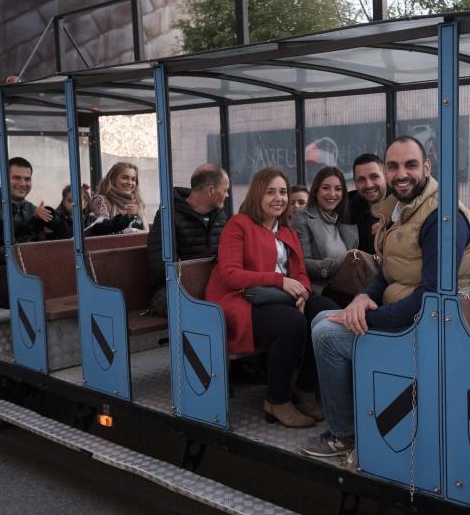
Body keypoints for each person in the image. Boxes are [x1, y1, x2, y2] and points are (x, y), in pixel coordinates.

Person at [302, 136, 470, 457]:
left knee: (327, 335)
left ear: (427, 167)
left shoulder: (441, 218)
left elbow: (432, 299)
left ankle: (344, 434)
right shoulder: (401, 211)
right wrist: (360, 300)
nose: (402, 174)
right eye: (394, 166)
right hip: (414, 320)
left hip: (436, 332)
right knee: (320, 318)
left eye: (411, 165)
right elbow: (388, 270)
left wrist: (366, 318)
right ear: (386, 171)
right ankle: (356, 417)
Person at [205, 168, 332, 428]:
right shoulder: (238, 224)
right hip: (240, 300)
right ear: (257, 195)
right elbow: (231, 275)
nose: (279, 198)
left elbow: (300, 273)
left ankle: (305, 388)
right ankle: (276, 400)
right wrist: (280, 281)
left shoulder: (287, 231)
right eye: (271, 191)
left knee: (327, 313)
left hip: (278, 299)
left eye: (283, 192)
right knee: (292, 323)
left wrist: (304, 294)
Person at [0, 157, 60, 302]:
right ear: (4, 178)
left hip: (24, 266)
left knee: (62, 273)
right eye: (17, 178)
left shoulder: (30, 209)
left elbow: (39, 243)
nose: (23, 184)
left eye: (27, 179)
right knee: (35, 282)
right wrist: (27, 250)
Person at [147, 164, 229, 316]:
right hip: (171, 289)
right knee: (200, 310)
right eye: (224, 190)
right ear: (210, 190)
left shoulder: (221, 216)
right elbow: (160, 266)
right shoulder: (168, 215)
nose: (227, 195)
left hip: (213, 284)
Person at [291, 167, 359, 304]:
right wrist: (341, 262)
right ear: (316, 190)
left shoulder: (343, 220)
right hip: (320, 292)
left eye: (338, 189)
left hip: (347, 288)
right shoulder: (302, 218)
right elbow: (303, 264)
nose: (332, 194)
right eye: (326, 188)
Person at [87, 162, 148, 236]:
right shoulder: (100, 200)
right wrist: (132, 231)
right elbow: (101, 230)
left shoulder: (138, 202)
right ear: (112, 179)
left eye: (133, 179)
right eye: (125, 178)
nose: (130, 182)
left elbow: (146, 231)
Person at [347, 153, 387, 254]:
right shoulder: (346, 209)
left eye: (374, 177)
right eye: (361, 180)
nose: (368, 185)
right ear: (355, 183)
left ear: (386, 176)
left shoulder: (403, 203)